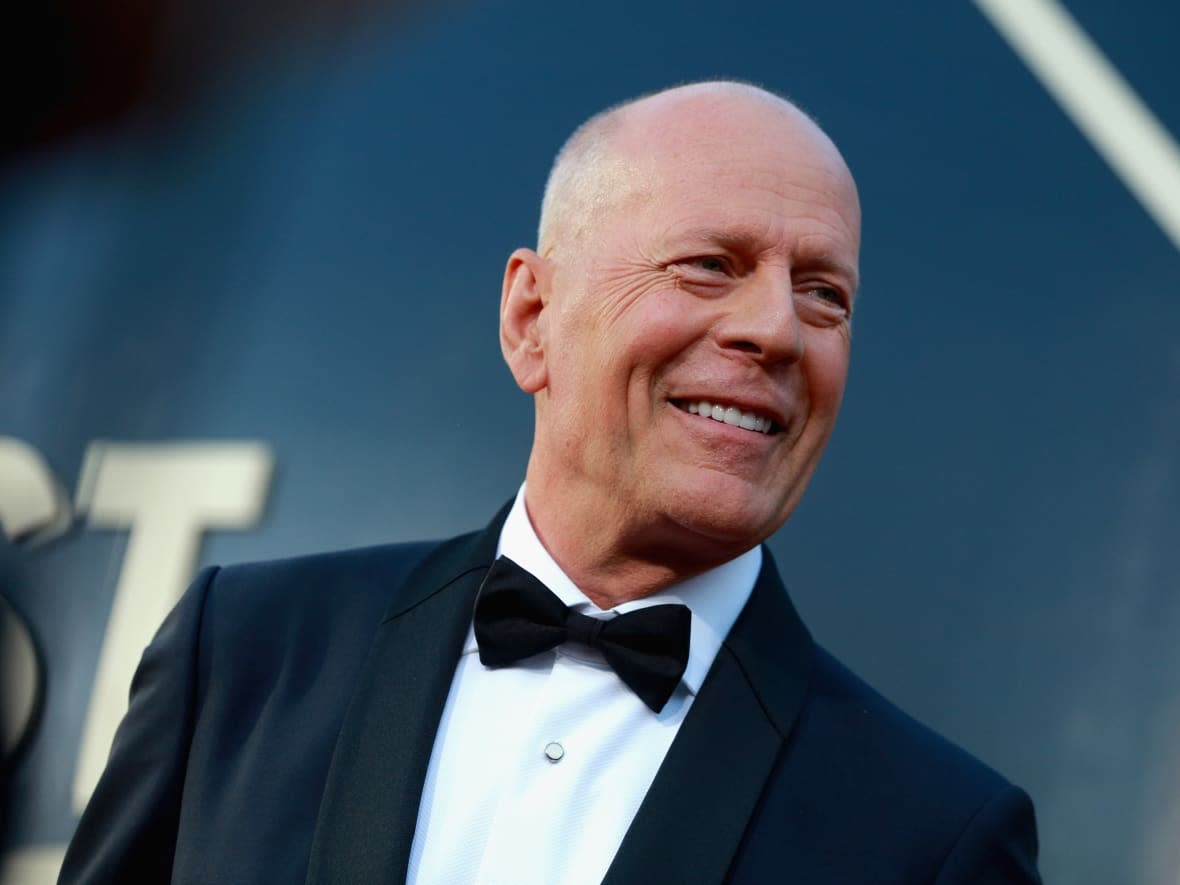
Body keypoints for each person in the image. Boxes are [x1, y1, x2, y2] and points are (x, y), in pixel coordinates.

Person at [60, 81, 1041, 884]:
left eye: (823, 293)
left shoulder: (938, 837)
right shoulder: (241, 656)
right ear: (532, 317)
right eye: (709, 266)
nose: (775, 331)